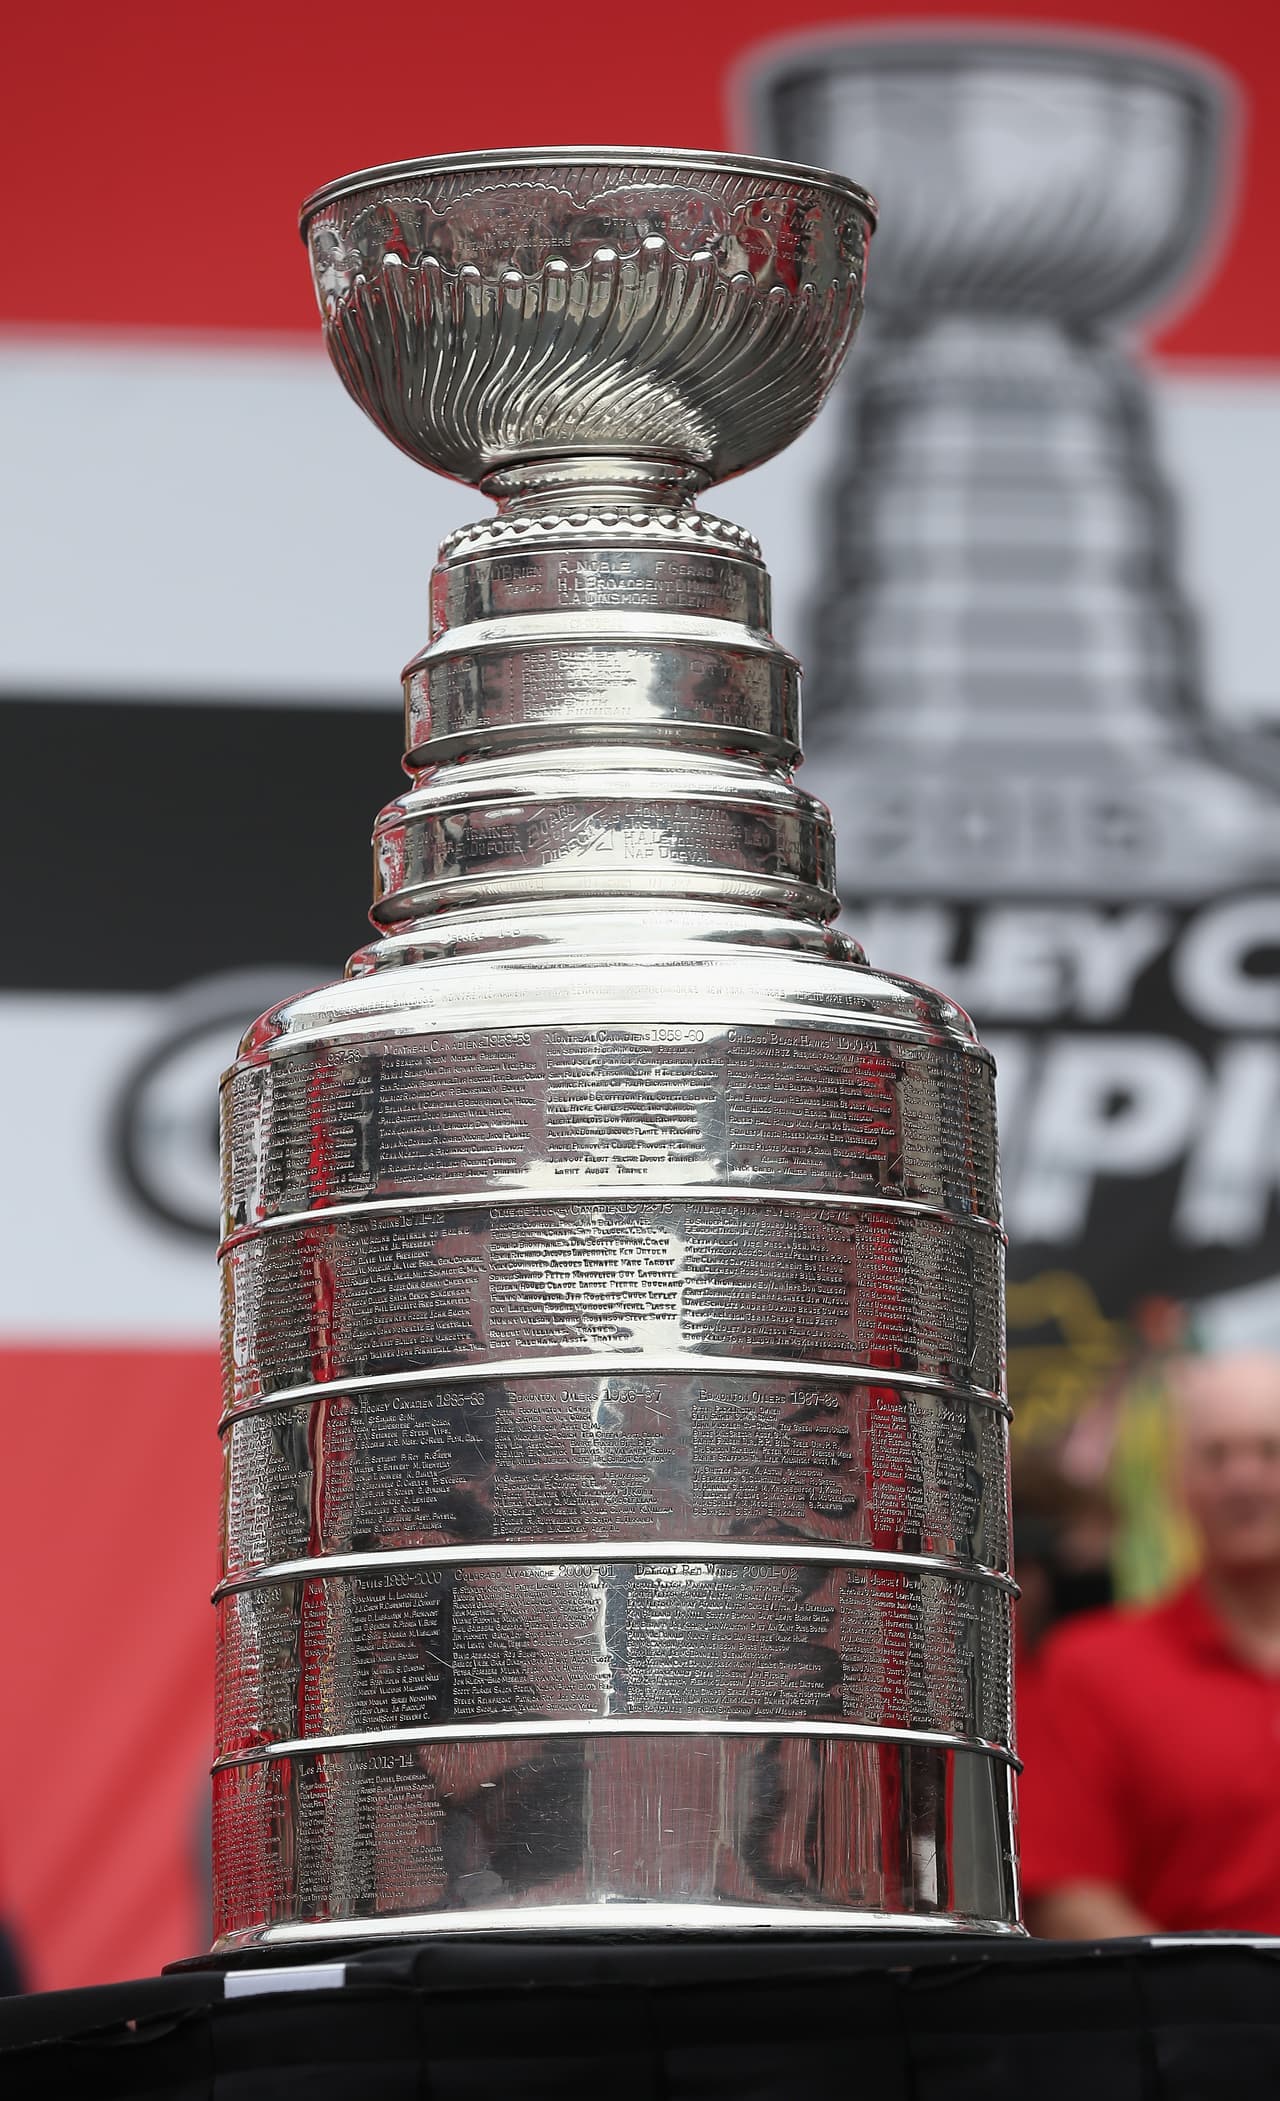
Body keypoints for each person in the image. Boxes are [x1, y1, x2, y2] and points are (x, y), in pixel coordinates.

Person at [1020, 1350, 1280, 1937]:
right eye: (1216, 1455)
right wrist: (1221, 1992)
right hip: (1186, 1995)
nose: (1243, 1479)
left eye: (1270, 1451)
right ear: (1177, 1482)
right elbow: (1065, 1896)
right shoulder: (1087, 1669)